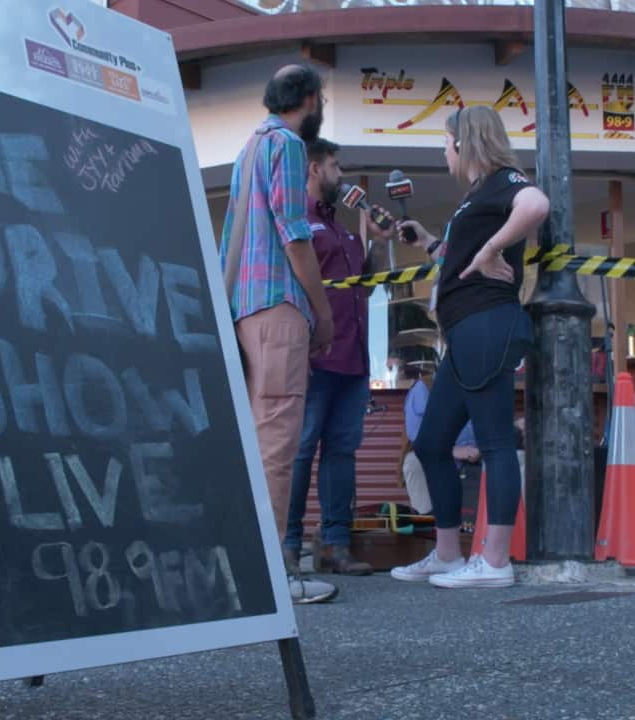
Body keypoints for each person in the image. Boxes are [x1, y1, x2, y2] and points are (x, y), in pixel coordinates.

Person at [388, 106, 549, 589]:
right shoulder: (477, 196)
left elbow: (536, 206)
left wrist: (489, 249)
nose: (443, 151)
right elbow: (459, 264)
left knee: (496, 443)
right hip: (463, 334)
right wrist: (434, 243)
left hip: (486, 326)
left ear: (464, 142)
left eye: (444, 142)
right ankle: (447, 554)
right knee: (431, 444)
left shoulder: (506, 180)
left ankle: (495, 563)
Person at [220, 64, 338, 604]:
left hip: (244, 309)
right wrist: (323, 310)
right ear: (311, 99)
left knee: (253, 441)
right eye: (323, 100)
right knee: (276, 442)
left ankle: (248, 565)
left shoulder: (249, 148)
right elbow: (295, 237)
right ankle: (269, 577)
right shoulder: (288, 146)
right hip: (277, 308)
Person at [282, 138, 391, 577]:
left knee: (342, 452)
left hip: (354, 360)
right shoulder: (297, 225)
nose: (341, 174)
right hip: (313, 356)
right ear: (313, 168)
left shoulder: (345, 231)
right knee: (300, 450)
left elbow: (368, 285)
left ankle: (336, 546)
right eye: (335, 166)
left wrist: (379, 241)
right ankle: (288, 545)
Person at [399, 367, 479, 518]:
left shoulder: (482, 385)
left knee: (518, 459)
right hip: (438, 457)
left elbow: (495, 429)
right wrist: (452, 451)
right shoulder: (424, 388)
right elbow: (418, 437)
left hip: (478, 458)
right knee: (413, 462)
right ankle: (427, 524)